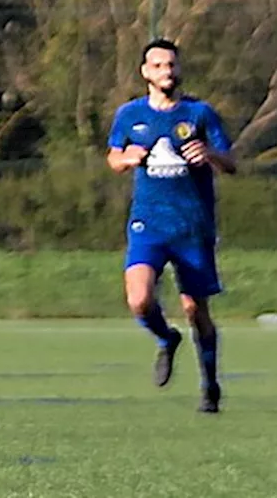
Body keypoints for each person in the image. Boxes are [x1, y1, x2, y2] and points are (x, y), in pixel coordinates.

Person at [107, 38, 236, 414]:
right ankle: (166, 339)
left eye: (172, 66)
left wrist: (210, 154)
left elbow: (232, 162)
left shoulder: (199, 114)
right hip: (148, 224)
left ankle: (210, 385)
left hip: (192, 227)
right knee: (139, 299)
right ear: (145, 72)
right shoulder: (129, 115)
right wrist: (125, 158)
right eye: (159, 65)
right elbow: (114, 156)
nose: (167, 72)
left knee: (196, 309)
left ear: (179, 71)